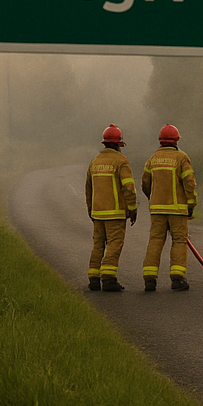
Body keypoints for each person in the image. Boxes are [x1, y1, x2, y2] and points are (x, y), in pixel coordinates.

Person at [141, 123, 198, 292]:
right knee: (179, 241)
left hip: (157, 209)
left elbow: (145, 183)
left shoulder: (152, 159)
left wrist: (154, 197)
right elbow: (190, 184)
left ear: (161, 141)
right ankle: (177, 279)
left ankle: (149, 279)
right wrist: (191, 204)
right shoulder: (182, 158)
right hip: (178, 210)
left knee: (155, 241)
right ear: (176, 141)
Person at [86, 123, 138, 292]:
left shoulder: (94, 162)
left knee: (98, 245)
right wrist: (132, 209)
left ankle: (93, 278)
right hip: (115, 213)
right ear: (118, 144)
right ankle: (108, 278)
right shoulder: (121, 161)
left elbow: (88, 189)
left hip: (97, 212)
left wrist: (90, 210)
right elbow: (128, 187)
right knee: (114, 244)